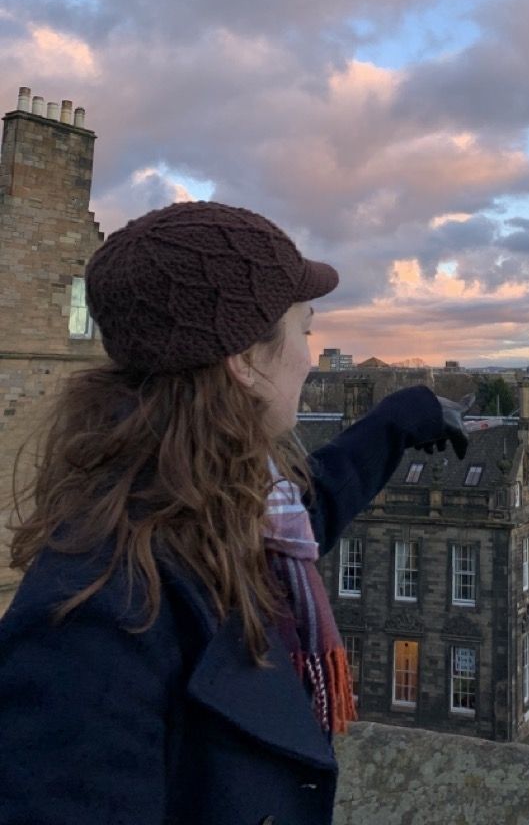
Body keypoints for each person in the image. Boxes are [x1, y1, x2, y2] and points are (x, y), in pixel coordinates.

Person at [0, 201, 468, 825]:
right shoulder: (93, 619)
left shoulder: (193, 503)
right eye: (305, 329)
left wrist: (395, 424)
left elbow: (301, 517)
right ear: (244, 360)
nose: (310, 355)